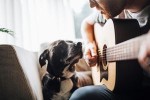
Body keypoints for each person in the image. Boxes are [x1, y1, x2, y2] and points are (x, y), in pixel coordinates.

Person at [69, 0, 150, 100]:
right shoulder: (113, 12)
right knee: (80, 97)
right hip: (121, 88)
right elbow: (86, 24)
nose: (91, 5)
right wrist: (89, 43)